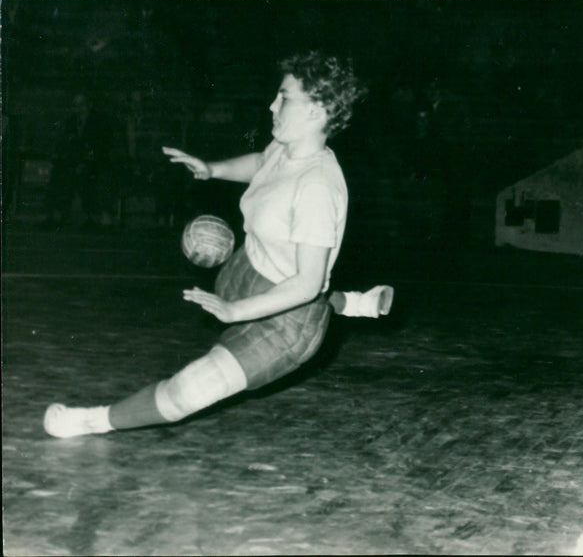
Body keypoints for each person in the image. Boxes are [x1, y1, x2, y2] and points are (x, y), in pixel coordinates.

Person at [44, 51, 391, 439]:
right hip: (249, 271)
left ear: (317, 110)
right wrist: (213, 170)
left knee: (186, 392)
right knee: (295, 277)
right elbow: (262, 162)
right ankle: (356, 302)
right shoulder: (286, 147)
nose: (272, 104)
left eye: (285, 97)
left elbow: (308, 285)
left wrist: (235, 310)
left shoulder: (318, 187)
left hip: (284, 322)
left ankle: (89, 421)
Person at [43, 93, 118, 229]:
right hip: (74, 161)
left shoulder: (99, 121)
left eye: (81, 105)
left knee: (87, 176)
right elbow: (66, 143)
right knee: (58, 173)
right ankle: (57, 214)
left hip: (94, 162)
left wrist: (86, 160)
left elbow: (101, 146)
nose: (78, 109)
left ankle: (92, 216)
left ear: (88, 105)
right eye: (76, 105)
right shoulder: (71, 121)